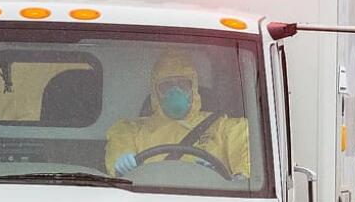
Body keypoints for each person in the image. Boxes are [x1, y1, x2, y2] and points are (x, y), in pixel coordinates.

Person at [105, 50, 250, 178]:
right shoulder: (131, 131)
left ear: (193, 88)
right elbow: (117, 162)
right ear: (155, 93)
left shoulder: (225, 128)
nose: (175, 92)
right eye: (166, 86)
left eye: (182, 84)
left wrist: (222, 179)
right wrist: (120, 169)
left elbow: (247, 171)